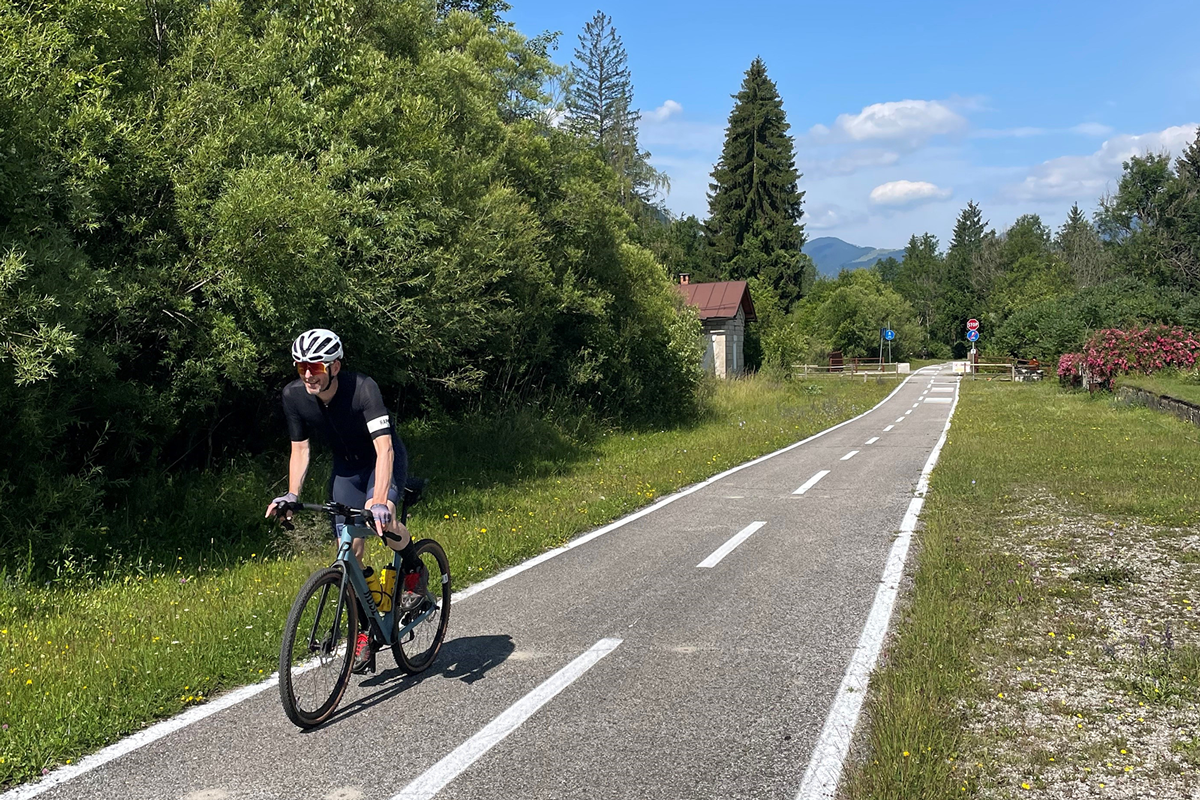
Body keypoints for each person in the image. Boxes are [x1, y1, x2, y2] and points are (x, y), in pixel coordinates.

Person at [265, 328, 426, 674]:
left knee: (382, 520)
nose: (308, 374)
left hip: (381, 462)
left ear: (335, 366)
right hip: (345, 471)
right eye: (301, 367)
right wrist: (292, 494)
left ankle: (414, 567)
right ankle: (367, 630)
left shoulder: (363, 389)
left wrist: (379, 500)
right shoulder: (294, 396)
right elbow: (300, 449)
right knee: (347, 550)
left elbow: (384, 449)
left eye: (316, 367)